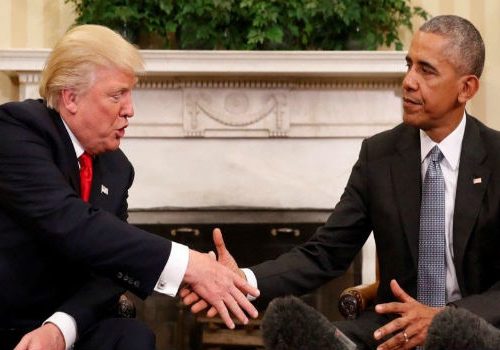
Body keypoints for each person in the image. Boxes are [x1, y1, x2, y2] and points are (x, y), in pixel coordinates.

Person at [182, 15, 500, 349]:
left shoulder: (496, 157)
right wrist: (241, 280)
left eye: (427, 70)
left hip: (477, 330)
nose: (408, 81)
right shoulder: (379, 155)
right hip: (393, 330)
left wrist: (443, 319)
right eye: (409, 65)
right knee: (300, 331)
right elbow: (324, 254)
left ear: (466, 88)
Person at [0, 24, 259, 350]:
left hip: (64, 322)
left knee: (132, 337)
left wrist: (60, 328)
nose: (130, 109)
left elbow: (111, 267)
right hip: (9, 323)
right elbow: (72, 223)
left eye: (130, 93)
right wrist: (190, 266)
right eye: (116, 95)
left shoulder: (116, 167)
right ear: (71, 98)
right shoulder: (17, 130)